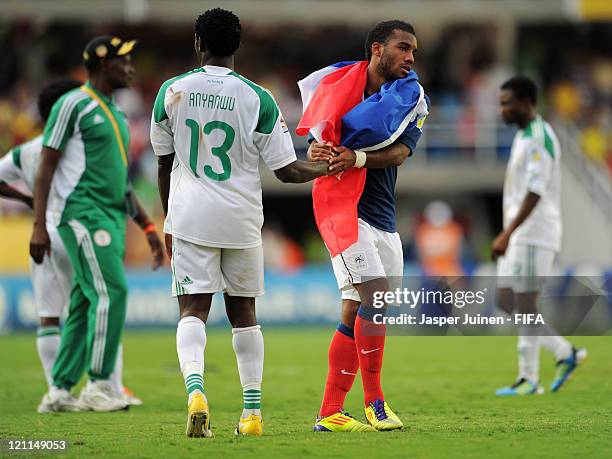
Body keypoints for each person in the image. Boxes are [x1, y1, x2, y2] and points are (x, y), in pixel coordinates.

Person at [151, 8, 328, 438]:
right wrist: (324, 168)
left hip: (191, 216)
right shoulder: (259, 98)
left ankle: (196, 392)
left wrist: (170, 217)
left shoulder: (171, 91)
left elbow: (163, 162)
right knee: (245, 314)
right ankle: (251, 415)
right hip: (242, 219)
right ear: (238, 45)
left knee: (193, 310)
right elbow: (287, 171)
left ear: (198, 42)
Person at [303, 20, 428, 432]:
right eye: (403, 48)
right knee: (374, 297)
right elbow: (318, 136)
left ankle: (329, 413)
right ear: (377, 48)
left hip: (383, 220)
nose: (410, 58)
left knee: (357, 309)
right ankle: (375, 403)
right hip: (344, 211)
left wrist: (355, 158)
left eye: (413, 50)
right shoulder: (338, 85)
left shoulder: (410, 100)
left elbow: (398, 155)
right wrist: (318, 148)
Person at [30, 36, 164, 413]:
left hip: (110, 215)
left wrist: (148, 228)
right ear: (104, 65)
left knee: (84, 301)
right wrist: (40, 224)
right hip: (82, 213)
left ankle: (59, 391)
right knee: (113, 291)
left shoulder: (117, 114)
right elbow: (46, 166)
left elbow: (120, 182)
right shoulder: (71, 104)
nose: (132, 68)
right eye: (125, 61)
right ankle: (101, 384)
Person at [0, 79, 152, 410]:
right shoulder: (81, 147)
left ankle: (58, 389)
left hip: (42, 236)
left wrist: (26, 202)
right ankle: (107, 385)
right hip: (75, 232)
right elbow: (116, 185)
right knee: (103, 300)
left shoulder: (26, 151)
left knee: (49, 317)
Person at [492, 75, 586, 396]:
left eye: (507, 104)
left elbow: (535, 191)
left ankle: (532, 376)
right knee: (507, 300)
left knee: (525, 303)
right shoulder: (523, 136)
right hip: (521, 235)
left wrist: (507, 233)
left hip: (534, 234)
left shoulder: (538, 137)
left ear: (526, 103)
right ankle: (559, 355)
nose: (502, 110)